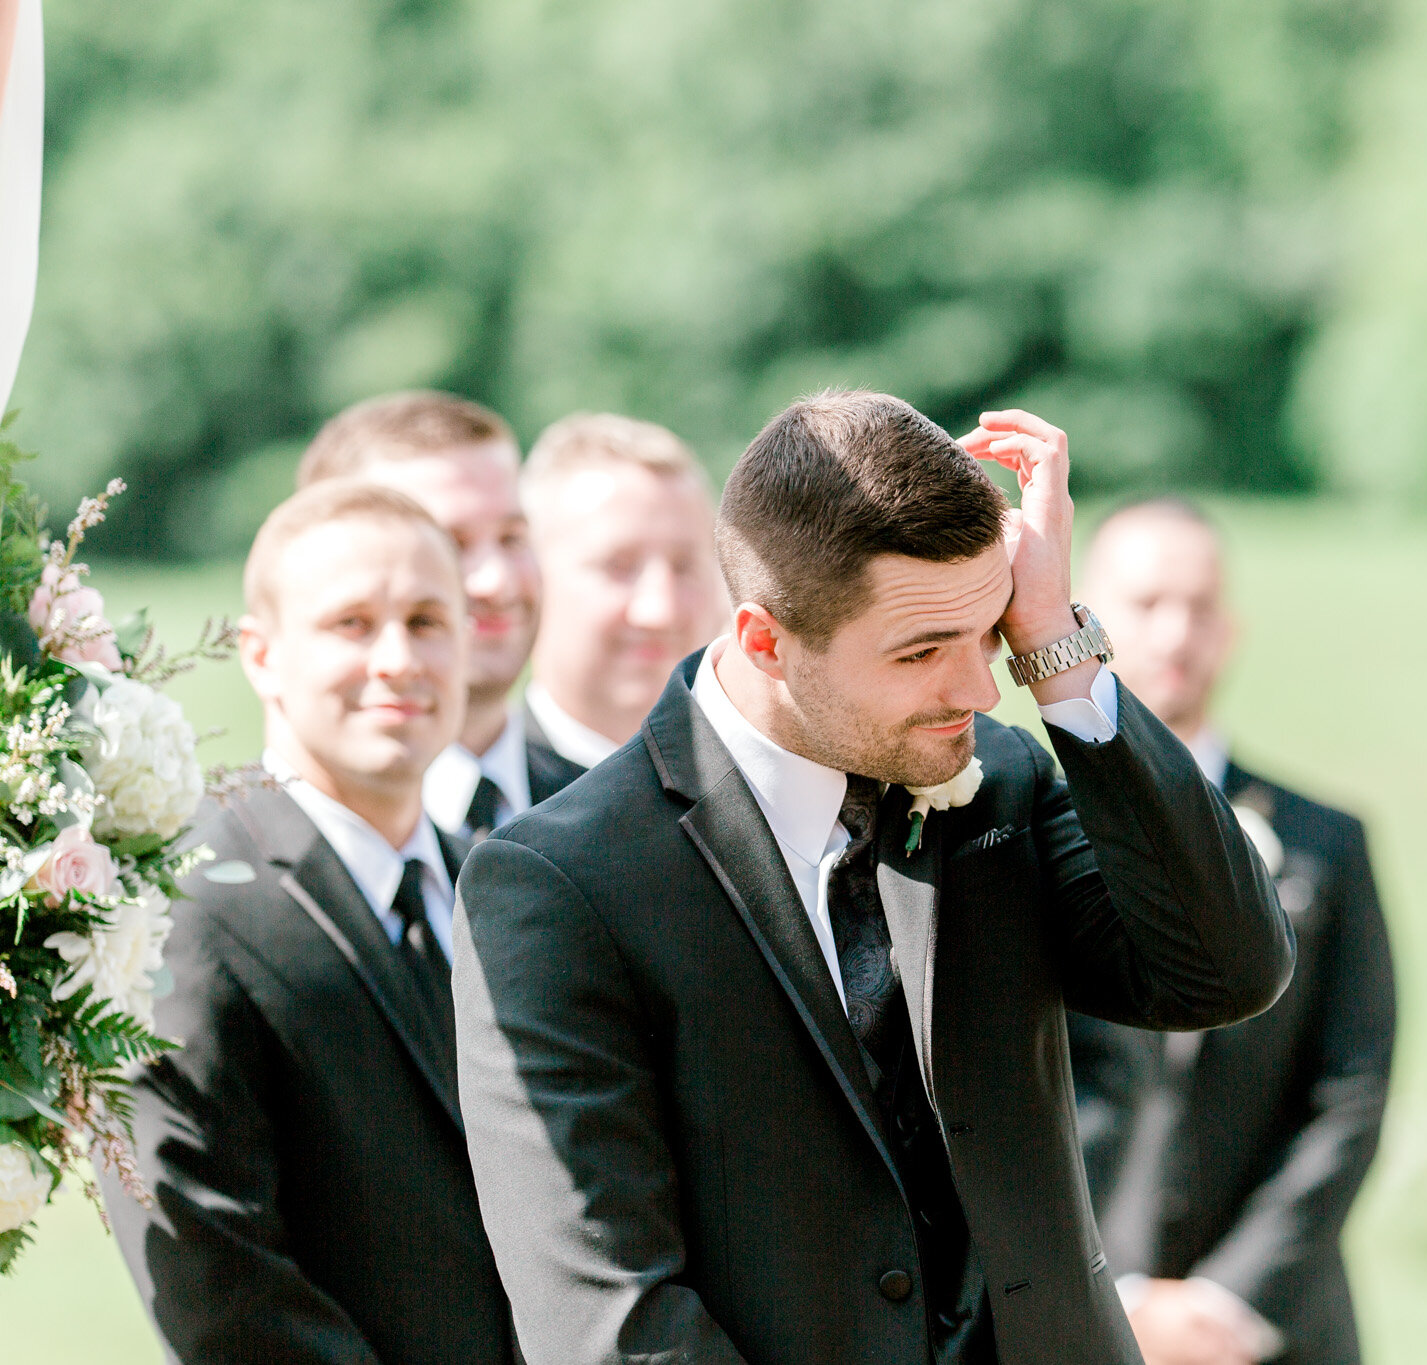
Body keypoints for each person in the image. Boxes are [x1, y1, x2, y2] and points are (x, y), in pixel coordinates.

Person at [452, 392, 1295, 1365]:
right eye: (921, 651)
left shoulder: (999, 782)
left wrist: (1057, 649)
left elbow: (1221, 971)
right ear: (766, 641)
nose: (979, 690)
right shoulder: (557, 886)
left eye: (985, 633)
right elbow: (615, 1323)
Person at [105, 481, 518, 1363]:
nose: (398, 658)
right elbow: (213, 1271)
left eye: (427, 620)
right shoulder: (183, 908)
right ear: (260, 654)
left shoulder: (509, 885)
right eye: (351, 624)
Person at [1067, 498, 1396, 1365]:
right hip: (1077, 1315)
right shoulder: (1017, 836)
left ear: (1233, 628)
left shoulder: (1326, 840)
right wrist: (1115, 1295)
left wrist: (1231, 1303)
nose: (1177, 633)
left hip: (1276, 1327)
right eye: (1146, 604)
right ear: (1084, 619)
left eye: (1201, 606)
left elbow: (1352, 1088)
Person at [298, 389, 580, 841]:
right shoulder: (242, 853)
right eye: (449, 544)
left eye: (512, 537)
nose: (496, 581)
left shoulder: (615, 810)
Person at [520, 410, 726, 768]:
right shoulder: (471, 806)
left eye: (685, 566)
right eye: (619, 567)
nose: (661, 610)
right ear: (530, 575)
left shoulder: (769, 798)